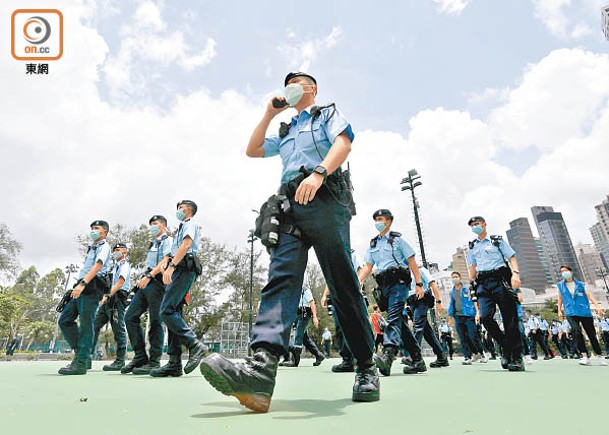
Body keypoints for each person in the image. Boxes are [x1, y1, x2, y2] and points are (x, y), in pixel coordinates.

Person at [200, 71, 379, 413]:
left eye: (297, 82)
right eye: (287, 84)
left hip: (325, 195)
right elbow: (252, 150)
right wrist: (269, 114)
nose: (291, 88)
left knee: (342, 284)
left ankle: (366, 366)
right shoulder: (286, 130)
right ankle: (259, 373)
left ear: (311, 88)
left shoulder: (326, 113)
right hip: (290, 205)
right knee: (280, 281)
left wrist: (320, 172)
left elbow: (344, 143)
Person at [356, 208, 424, 376]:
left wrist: (419, 283)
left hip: (399, 284)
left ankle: (388, 356)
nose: (378, 222)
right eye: (376, 220)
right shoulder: (373, 244)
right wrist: (359, 281)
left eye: (381, 219)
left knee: (393, 318)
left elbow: (411, 260)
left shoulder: (397, 240)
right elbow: (368, 267)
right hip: (384, 286)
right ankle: (417, 360)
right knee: (399, 321)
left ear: (389, 221)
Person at [150, 200, 206, 377]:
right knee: (174, 312)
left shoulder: (191, 224)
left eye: (181, 208)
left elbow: (186, 245)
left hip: (184, 268)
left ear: (188, 210)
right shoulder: (182, 227)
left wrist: (173, 265)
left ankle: (194, 345)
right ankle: (174, 363)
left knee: (166, 311)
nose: (178, 211)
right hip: (179, 267)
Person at [466, 216, 524, 372]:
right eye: (472, 225)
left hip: (500, 280)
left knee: (509, 318)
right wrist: (470, 283)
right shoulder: (472, 246)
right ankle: (505, 346)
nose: (475, 227)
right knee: (485, 317)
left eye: (477, 224)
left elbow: (511, 257)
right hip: (483, 283)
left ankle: (516, 357)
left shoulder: (496, 241)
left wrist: (516, 274)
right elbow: (472, 267)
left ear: (484, 224)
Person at [58, 220, 112, 375]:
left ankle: (81, 362)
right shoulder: (92, 248)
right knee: (65, 320)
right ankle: (83, 355)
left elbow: (98, 265)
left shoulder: (104, 247)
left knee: (86, 324)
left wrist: (82, 283)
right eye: (92, 228)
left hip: (91, 287)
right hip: (80, 287)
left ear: (104, 232)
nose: (93, 231)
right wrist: (77, 286)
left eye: (96, 228)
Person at [122, 215, 173, 375]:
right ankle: (140, 356)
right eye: (151, 224)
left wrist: (149, 276)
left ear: (163, 226)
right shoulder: (153, 243)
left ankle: (154, 360)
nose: (152, 227)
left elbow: (166, 260)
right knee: (130, 317)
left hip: (157, 282)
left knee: (156, 321)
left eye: (155, 224)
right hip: (146, 282)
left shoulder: (167, 241)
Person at [321, 248, 363, 373]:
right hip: (336, 294)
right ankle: (347, 360)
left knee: (353, 326)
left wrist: (358, 284)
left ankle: (360, 358)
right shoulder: (331, 256)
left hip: (350, 293)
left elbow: (360, 269)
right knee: (340, 328)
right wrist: (324, 295)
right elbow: (330, 278)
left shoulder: (351, 253)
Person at [556, 265, 607, 366]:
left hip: (584, 311)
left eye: (566, 270)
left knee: (591, 333)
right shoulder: (560, 285)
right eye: (562, 271)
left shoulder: (580, 284)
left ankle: (600, 356)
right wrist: (559, 310)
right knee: (576, 331)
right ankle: (584, 356)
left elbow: (589, 295)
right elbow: (560, 297)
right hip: (570, 311)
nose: (564, 273)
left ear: (571, 272)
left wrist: (597, 306)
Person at [92, 242, 131, 371]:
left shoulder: (125, 265)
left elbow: (120, 283)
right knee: (94, 326)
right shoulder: (112, 267)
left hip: (117, 299)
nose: (116, 252)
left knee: (118, 328)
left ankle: (120, 360)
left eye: (118, 250)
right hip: (107, 300)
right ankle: (86, 357)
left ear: (125, 251)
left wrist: (107, 296)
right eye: (114, 250)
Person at [407, 265, 450, 368]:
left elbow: (433, 284)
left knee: (417, 327)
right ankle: (441, 357)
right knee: (427, 332)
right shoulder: (405, 273)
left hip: (422, 301)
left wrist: (439, 302)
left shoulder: (420, 270)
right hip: (412, 302)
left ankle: (413, 356)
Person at [448, 271, 486, 365]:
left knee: (472, 335)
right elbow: (451, 303)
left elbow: (474, 300)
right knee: (462, 337)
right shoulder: (452, 291)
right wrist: (450, 317)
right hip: (458, 316)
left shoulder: (468, 288)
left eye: (456, 276)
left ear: (460, 278)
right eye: (453, 277)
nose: (454, 279)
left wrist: (477, 312)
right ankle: (467, 357)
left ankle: (482, 353)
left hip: (469, 315)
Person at [283, 286, 324, 367]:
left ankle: (294, 361)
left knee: (298, 335)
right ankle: (319, 355)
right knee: (304, 338)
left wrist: (314, 317)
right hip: (298, 314)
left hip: (304, 315)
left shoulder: (305, 290)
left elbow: (312, 302)